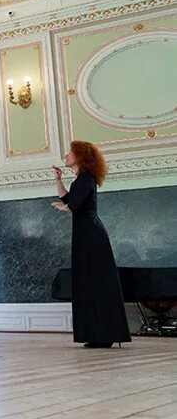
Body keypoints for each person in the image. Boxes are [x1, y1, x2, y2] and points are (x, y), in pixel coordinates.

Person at [52, 141, 131, 348]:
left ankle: (104, 334)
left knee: (95, 281)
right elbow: (70, 199)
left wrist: (65, 207)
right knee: (89, 281)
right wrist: (58, 180)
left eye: (70, 153)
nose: (66, 156)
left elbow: (74, 205)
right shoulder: (81, 180)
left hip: (90, 235)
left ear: (80, 157)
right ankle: (98, 334)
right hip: (86, 234)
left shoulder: (86, 179)